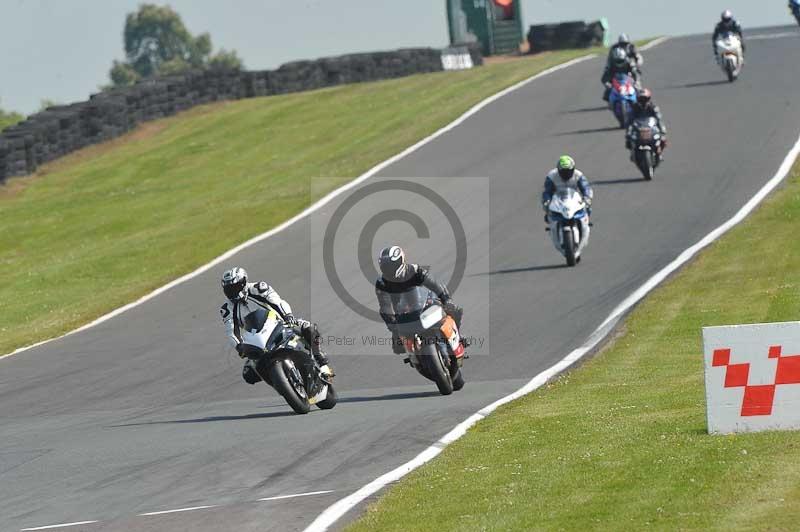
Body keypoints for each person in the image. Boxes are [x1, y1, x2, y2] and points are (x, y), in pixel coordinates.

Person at [219, 267, 333, 385]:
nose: (232, 292)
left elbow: (277, 301)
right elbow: (231, 331)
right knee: (248, 374)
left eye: (235, 287)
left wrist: (287, 316)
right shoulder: (227, 308)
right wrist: (239, 346)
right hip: (256, 338)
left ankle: (322, 362)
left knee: (308, 328)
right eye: (228, 289)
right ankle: (281, 382)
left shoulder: (258, 288)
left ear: (243, 282)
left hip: (279, 323)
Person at [375, 246, 464, 355]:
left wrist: (446, 300)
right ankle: (416, 358)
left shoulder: (414, 270)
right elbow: (384, 306)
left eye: (391, 266)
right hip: (402, 314)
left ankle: (458, 337)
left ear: (400, 260)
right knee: (398, 348)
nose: (389, 270)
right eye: (386, 267)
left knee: (455, 310)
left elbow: (433, 284)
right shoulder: (382, 283)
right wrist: (392, 324)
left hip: (424, 303)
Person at [542, 155, 594, 224]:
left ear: (573, 169)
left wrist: (587, 197)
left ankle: (585, 222)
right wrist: (547, 200)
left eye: (568, 171)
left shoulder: (578, 175)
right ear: (558, 170)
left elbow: (586, 188)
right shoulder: (552, 175)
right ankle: (552, 223)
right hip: (557, 199)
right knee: (547, 207)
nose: (566, 174)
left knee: (587, 207)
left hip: (574, 198)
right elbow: (547, 191)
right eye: (563, 171)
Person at [626, 89, 669, 158]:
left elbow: (659, 120)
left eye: (645, 99)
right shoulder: (634, 108)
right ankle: (633, 153)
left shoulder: (653, 107)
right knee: (629, 142)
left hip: (651, 128)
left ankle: (659, 152)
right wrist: (628, 133)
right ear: (637, 99)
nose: (643, 101)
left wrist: (663, 131)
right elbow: (629, 121)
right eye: (641, 99)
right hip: (638, 128)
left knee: (663, 140)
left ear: (648, 99)